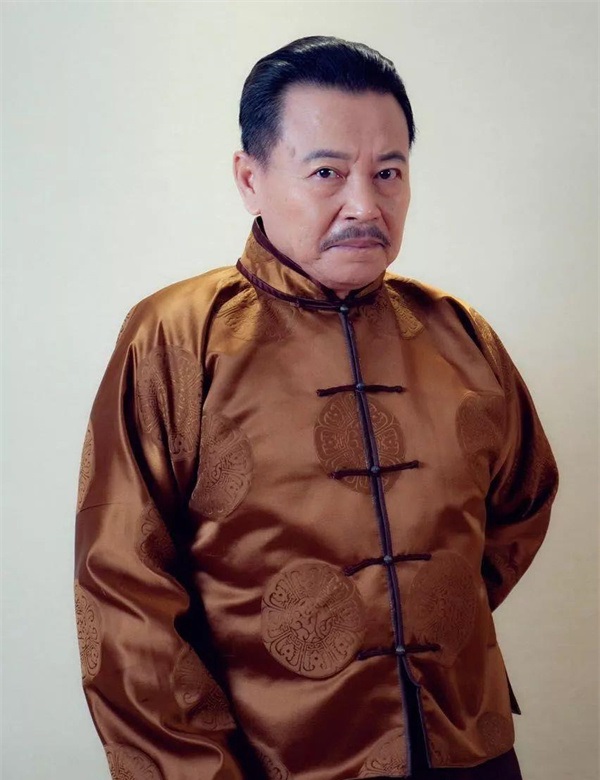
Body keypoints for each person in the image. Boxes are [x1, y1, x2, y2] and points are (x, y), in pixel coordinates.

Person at [74, 36, 558, 780]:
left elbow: (523, 502)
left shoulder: (458, 333)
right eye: (327, 172)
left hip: (471, 748)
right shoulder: (176, 338)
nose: (365, 204)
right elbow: (122, 593)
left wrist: (420, 617)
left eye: (388, 172)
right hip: (273, 761)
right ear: (251, 178)